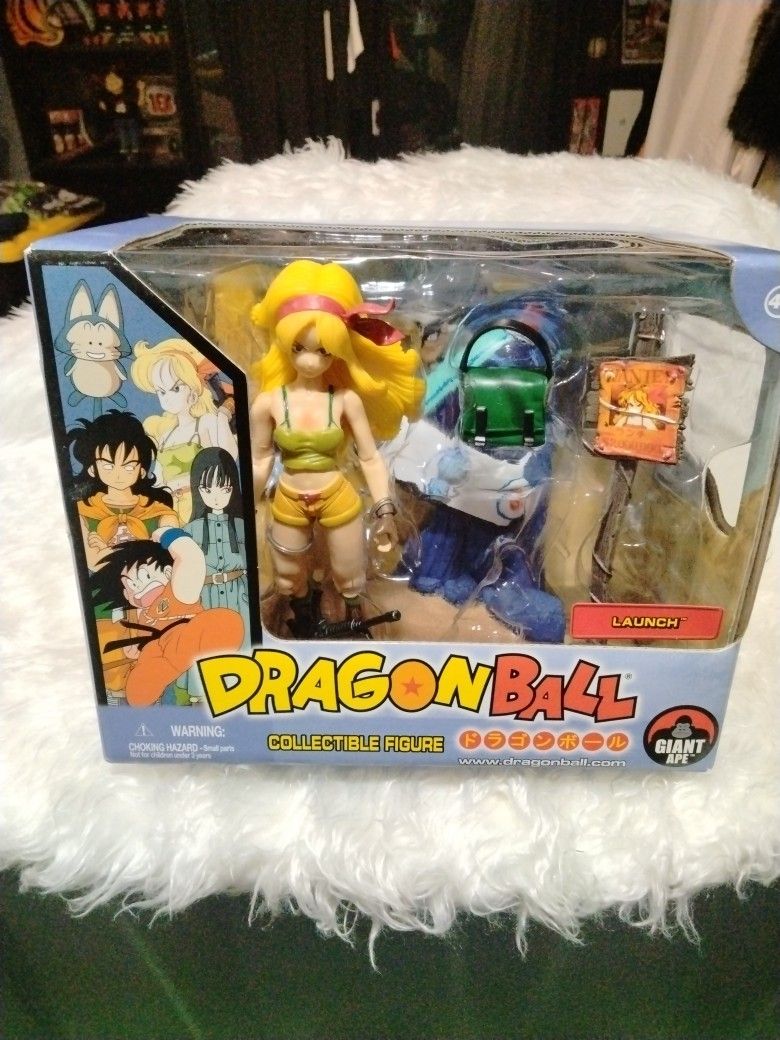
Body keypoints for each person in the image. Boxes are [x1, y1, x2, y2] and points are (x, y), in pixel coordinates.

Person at [250, 259, 423, 635]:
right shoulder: (269, 402)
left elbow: (370, 457)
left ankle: (353, 628)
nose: (311, 360)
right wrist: (243, 504)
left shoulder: (345, 399)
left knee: (349, 576)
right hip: (289, 497)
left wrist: (385, 509)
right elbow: (260, 458)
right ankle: (299, 626)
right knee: (288, 578)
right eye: (299, 348)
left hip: (336, 494)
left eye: (324, 351)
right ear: (284, 343)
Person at [131, 338, 238, 522]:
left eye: (176, 389)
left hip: (202, 505)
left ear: (193, 391)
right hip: (171, 509)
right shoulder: (165, 436)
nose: (168, 398)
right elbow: (158, 480)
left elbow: (229, 456)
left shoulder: (206, 422)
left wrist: (222, 416)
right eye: (161, 392)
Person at [68, 410, 178, 570]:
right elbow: (93, 563)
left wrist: (107, 551)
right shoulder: (83, 512)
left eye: (128, 466)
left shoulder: (161, 513)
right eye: (108, 466)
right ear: (92, 469)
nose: (118, 474)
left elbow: (170, 560)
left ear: (141, 470)